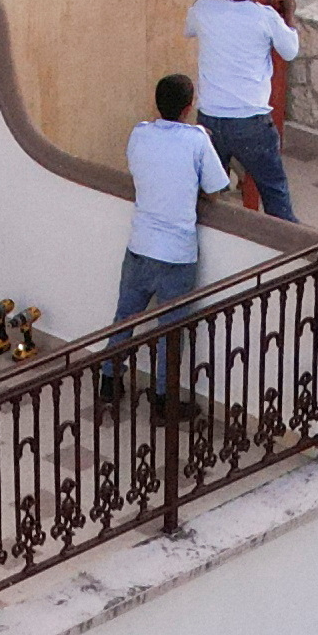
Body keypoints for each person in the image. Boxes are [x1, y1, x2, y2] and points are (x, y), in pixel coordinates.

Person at [110, 71, 230, 407]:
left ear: (157, 103)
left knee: (124, 318)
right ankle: (164, 399)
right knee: (170, 332)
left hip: (140, 244)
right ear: (189, 107)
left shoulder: (140, 134)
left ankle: (108, 379)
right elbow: (216, 189)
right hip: (176, 253)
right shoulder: (196, 141)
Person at [184, 0, 302, 224]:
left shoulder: (205, 9)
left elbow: (190, 27)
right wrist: (290, 14)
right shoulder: (265, 16)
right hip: (252, 123)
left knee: (206, 198)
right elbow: (290, 50)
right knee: (275, 196)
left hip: (210, 120)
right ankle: (293, 255)